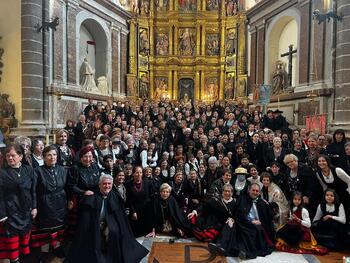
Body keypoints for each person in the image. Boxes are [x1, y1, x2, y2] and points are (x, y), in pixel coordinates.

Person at [65, 174, 148, 263]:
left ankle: (112, 258)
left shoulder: (115, 196)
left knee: (114, 231)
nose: (107, 186)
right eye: (104, 184)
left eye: (109, 184)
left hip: (110, 224)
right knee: (94, 234)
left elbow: (120, 218)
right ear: (99, 185)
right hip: (95, 223)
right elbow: (85, 219)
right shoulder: (91, 196)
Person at [0, 144, 37, 263]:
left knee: (23, 245)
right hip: (10, 214)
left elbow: (33, 191)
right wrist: (2, 215)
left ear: (20, 156)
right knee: (12, 246)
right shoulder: (2, 173)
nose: (10, 158)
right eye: (7, 156)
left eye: (13, 155)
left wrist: (35, 207)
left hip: (26, 212)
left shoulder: (29, 170)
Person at [31, 146, 68, 261]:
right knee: (45, 229)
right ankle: (44, 250)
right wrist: (34, 206)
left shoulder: (62, 169)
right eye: (49, 155)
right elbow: (33, 191)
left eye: (54, 155)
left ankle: (56, 247)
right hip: (44, 204)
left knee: (58, 228)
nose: (52, 157)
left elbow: (66, 187)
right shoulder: (37, 171)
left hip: (60, 203)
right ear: (44, 157)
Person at [234, 183, 275, 259]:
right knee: (243, 231)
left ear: (259, 192)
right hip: (244, 223)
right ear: (249, 190)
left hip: (257, 224)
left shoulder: (262, 202)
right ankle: (242, 251)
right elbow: (238, 214)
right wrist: (250, 221)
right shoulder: (242, 199)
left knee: (257, 230)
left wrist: (260, 221)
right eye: (253, 190)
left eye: (257, 191)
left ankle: (245, 252)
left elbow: (268, 217)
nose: (255, 192)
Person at [314, 155, 350, 222]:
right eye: (319, 161)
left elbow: (349, 181)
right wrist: (326, 197)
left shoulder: (337, 170)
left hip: (344, 194)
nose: (321, 163)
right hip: (333, 196)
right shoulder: (318, 174)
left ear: (327, 161)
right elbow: (324, 187)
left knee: (346, 211)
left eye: (323, 161)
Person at [125, 166, 154, 237]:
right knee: (136, 233)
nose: (139, 174)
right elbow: (129, 200)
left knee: (146, 231)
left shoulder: (148, 183)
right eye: (137, 172)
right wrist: (133, 211)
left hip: (146, 209)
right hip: (135, 209)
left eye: (140, 172)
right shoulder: (128, 184)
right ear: (133, 173)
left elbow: (152, 197)